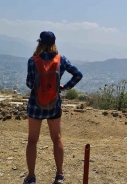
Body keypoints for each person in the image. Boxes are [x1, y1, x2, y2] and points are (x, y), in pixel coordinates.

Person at [24, 31, 83, 184]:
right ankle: (59, 174)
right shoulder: (61, 60)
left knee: (32, 140)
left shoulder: (33, 60)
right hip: (54, 104)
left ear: (40, 43)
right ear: (54, 43)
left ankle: (31, 177)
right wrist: (63, 87)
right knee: (56, 139)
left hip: (35, 105)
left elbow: (30, 84)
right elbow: (78, 74)